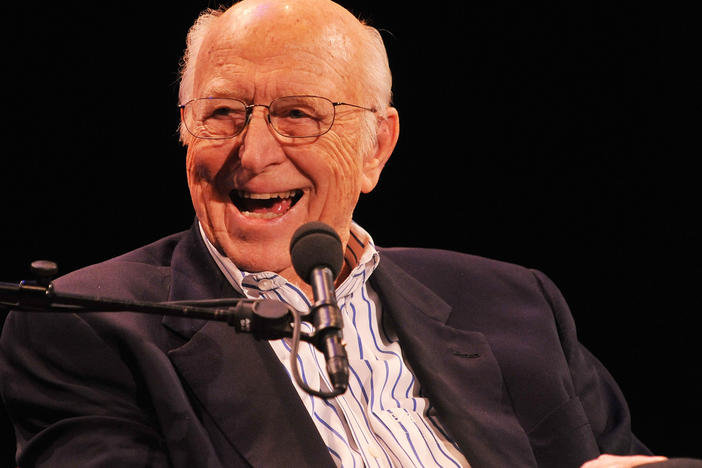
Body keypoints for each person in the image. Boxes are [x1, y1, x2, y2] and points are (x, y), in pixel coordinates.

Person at [0, 1, 697, 467]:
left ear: (375, 148)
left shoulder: (517, 303)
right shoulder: (89, 323)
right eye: (222, 113)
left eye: (300, 114)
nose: (253, 152)